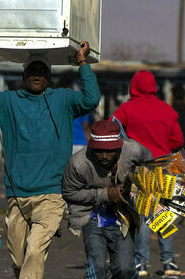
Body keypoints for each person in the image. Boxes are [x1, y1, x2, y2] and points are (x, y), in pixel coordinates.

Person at [0, 42, 99, 278]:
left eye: (42, 71)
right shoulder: (8, 101)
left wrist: (82, 62)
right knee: (20, 260)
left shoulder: (63, 100)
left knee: (35, 250)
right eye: (32, 71)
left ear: (49, 75)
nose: (37, 75)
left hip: (52, 194)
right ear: (24, 74)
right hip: (17, 195)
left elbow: (91, 99)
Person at [111, 70, 183, 276]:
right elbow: (178, 141)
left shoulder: (126, 109)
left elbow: (110, 130)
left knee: (143, 216)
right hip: (165, 169)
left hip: (139, 169)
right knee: (164, 214)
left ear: (133, 86)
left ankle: (141, 263)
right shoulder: (168, 110)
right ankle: (169, 261)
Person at [62, 120, 152, 279]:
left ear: (119, 147)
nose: (104, 156)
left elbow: (149, 162)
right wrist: (105, 194)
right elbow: (69, 193)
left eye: (109, 151)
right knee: (98, 268)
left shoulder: (133, 150)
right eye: (99, 151)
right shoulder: (78, 163)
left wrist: (141, 181)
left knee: (125, 270)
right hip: (91, 217)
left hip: (124, 217)